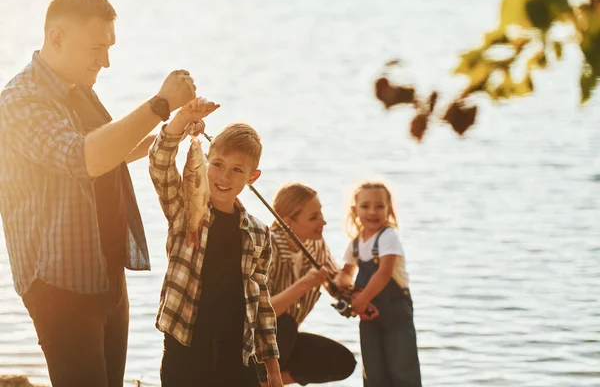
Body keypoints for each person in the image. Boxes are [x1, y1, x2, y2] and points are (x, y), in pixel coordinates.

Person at [0, 0, 196, 386]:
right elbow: (82, 158)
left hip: (106, 274)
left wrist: (173, 128)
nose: (105, 62)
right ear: (56, 38)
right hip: (60, 286)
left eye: (109, 47)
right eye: (96, 48)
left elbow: (111, 154)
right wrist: (159, 104)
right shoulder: (19, 103)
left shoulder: (78, 90)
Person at [148, 99, 283, 387]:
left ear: (252, 177)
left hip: (237, 355)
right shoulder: (184, 210)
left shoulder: (259, 233)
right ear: (206, 160)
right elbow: (160, 162)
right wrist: (183, 120)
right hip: (184, 349)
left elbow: (261, 302)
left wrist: (272, 367)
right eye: (218, 164)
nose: (224, 176)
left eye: (237, 170)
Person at [256, 183, 356, 385]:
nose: (324, 222)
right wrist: (304, 284)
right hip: (256, 344)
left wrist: (346, 282)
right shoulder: (268, 248)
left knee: (343, 361)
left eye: (321, 214)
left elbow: (334, 283)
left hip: (285, 343)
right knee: (285, 325)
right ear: (288, 223)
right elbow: (261, 313)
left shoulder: (316, 243)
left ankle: (269, 383)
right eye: (313, 217)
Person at [336, 181, 422, 387]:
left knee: (402, 368)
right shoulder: (356, 243)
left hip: (396, 313)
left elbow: (383, 273)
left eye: (379, 206)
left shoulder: (388, 237)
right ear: (354, 210)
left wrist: (362, 300)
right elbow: (346, 273)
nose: (372, 212)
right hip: (368, 316)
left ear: (389, 209)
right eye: (365, 206)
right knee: (373, 370)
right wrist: (342, 285)